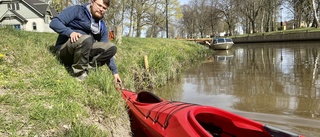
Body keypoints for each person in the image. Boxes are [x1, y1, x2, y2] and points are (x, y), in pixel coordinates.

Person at [50, 0, 121, 83]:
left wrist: (115, 72)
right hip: (65, 50)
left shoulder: (102, 26)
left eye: (104, 8)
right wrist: (70, 33)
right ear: (92, 2)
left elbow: (105, 47)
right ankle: (79, 73)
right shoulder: (77, 10)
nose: (101, 9)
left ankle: (88, 68)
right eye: (99, 5)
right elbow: (54, 23)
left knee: (111, 48)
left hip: (84, 52)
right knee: (87, 39)